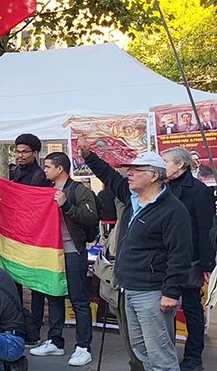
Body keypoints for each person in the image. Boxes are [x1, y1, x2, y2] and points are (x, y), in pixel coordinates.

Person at [78, 139, 192, 371]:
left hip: (152, 292)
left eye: (136, 170)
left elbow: (179, 255)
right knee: (141, 349)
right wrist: (89, 156)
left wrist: (171, 293)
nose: (129, 174)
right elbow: (109, 176)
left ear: (153, 176)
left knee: (160, 354)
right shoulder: (132, 199)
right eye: (129, 170)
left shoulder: (172, 210)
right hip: (129, 288)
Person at [30, 152, 97, 366]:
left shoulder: (79, 190)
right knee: (54, 296)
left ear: (60, 169)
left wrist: (66, 205)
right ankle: (55, 341)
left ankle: (83, 346)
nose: (45, 170)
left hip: (73, 251)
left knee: (79, 300)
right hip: (51, 253)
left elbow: (90, 217)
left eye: (48, 166)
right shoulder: (46, 191)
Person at [161, 147, 216, 371]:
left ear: (180, 165)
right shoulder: (162, 187)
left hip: (190, 258)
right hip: (164, 257)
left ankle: (194, 357)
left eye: (165, 161)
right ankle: (165, 354)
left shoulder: (199, 191)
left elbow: (206, 230)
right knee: (165, 308)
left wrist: (206, 263)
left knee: (191, 307)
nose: (161, 164)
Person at [11, 133, 50, 346]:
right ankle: (19, 322)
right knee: (15, 280)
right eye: (18, 151)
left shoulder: (40, 176)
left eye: (25, 151)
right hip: (16, 235)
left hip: (34, 236)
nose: (20, 155)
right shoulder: (15, 172)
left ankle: (34, 325)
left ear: (35, 153)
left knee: (34, 284)